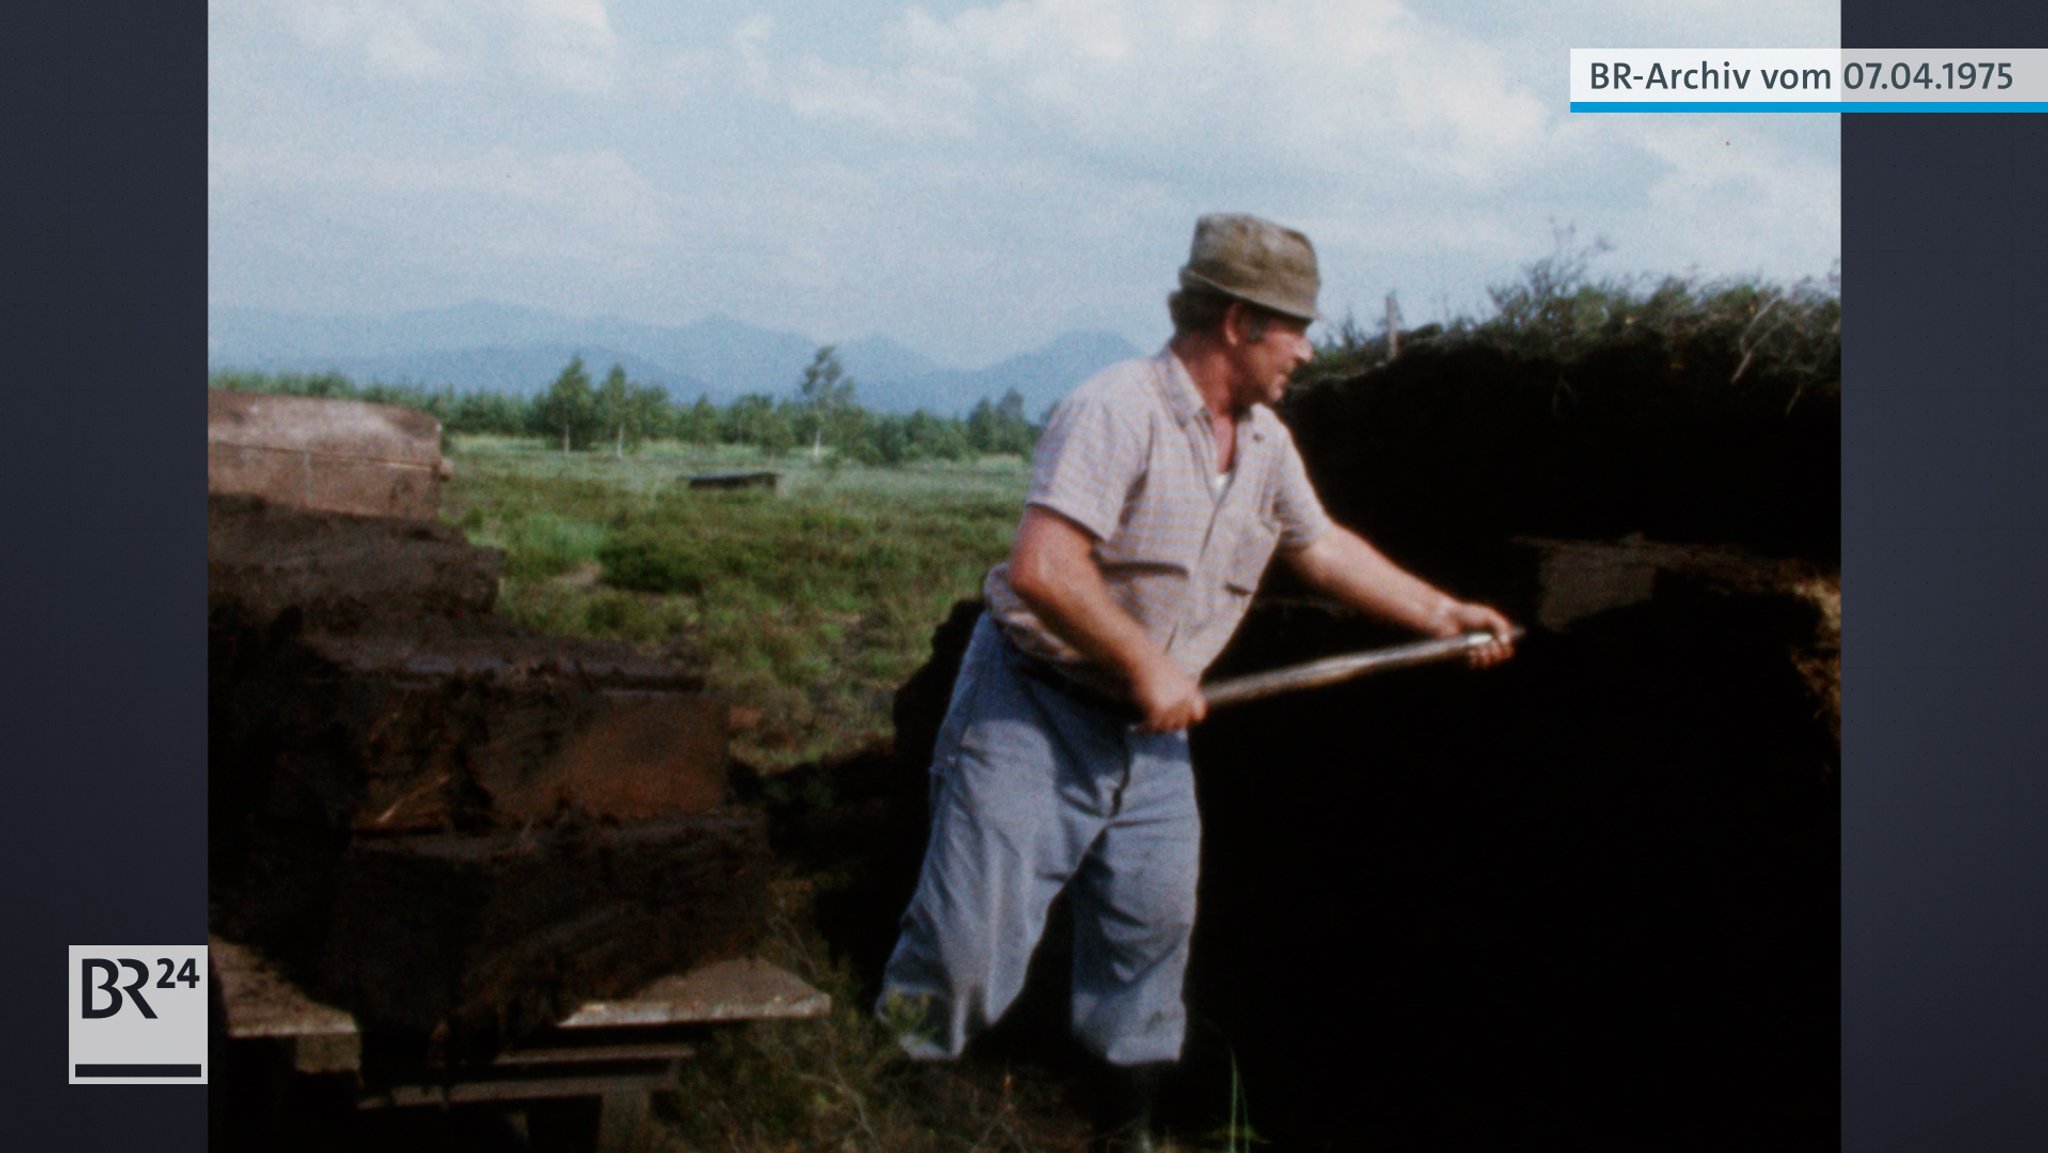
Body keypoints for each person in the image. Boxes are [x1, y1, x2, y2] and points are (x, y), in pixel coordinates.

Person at [877, 213, 1515, 1151]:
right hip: (1034, 710)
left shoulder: (1262, 445)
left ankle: (1123, 1130)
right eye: (1295, 325)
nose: (1307, 346)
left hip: (1150, 739)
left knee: (1150, 930)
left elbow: (1323, 547)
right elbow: (1045, 568)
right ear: (1236, 323)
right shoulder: (1116, 409)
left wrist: (1441, 611)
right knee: (968, 939)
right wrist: (1145, 663)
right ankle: (893, 1085)